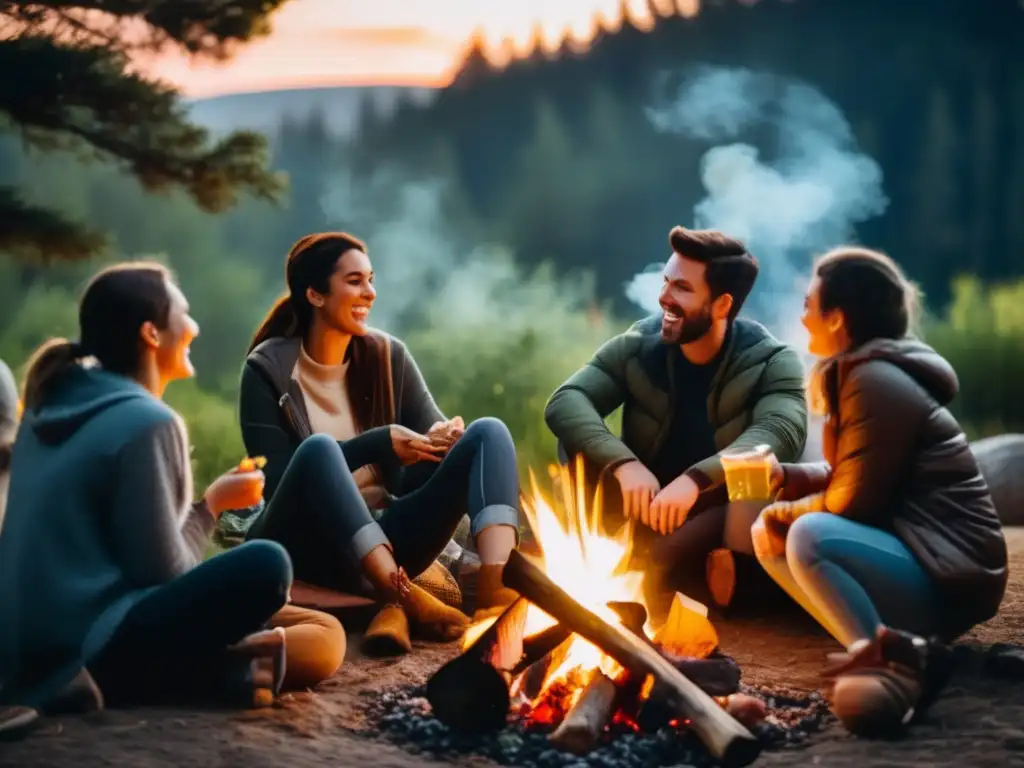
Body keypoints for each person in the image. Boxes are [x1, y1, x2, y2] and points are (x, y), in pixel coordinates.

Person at [0, 263, 346, 723]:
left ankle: (231, 667)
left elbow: (127, 556)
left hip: (31, 645)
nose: (194, 326)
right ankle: (213, 673)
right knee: (270, 566)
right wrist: (210, 510)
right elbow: (164, 577)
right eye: (184, 313)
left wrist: (210, 506)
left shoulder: (48, 409)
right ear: (151, 333)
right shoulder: (149, 423)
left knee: (324, 634)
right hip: (94, 647)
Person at [238, 232, 521, 656]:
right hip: (306, 545)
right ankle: (405, 599)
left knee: (489, 432)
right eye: (354, 281)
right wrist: (377, 443)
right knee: (318, 450)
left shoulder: (388, 357)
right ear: (314, 294)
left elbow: (429, 450)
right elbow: (277, 482)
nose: (369, 292)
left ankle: (499, 596)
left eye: (370, 280)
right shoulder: (267, 370)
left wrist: (448, 439)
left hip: (388, 540)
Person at [751, 246, 1007, 654]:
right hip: (923, 558)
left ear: (837, 318)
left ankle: (881, 660)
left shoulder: (873, 381)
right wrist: (791, 476)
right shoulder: (864, 374)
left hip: (952, 576)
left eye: (809, 306)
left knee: (807, 534)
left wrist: (781, 513)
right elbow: (861, 469)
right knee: (768, 531)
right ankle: (871, 643)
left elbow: (852, 502)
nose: (802, 319)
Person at [545, 227, 808, 612]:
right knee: (576, 438)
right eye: (666, 281)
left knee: (755, 471)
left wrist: (695, 480)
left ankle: (730, 585)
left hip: (715, 520)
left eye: (682, 288)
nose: (664, 297)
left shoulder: (771, 361)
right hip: (644, 505)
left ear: (721, 306)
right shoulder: (638, 344)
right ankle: (603, 564)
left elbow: (779, 432)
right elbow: (566, 401)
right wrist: (625, 465)